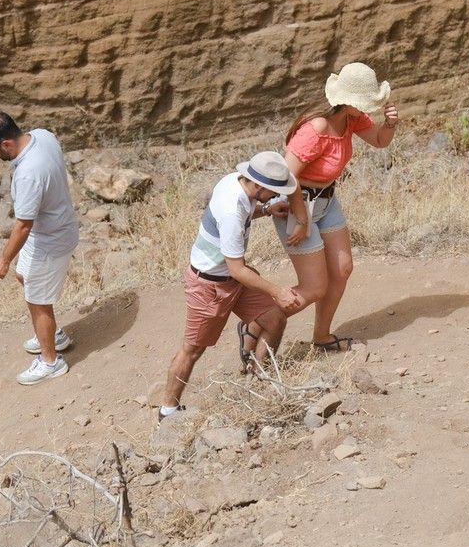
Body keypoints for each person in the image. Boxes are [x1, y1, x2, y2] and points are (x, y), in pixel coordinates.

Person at [160, 151, 305, 420]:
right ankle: (168, 411)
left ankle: (259, 377)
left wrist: (265, 209)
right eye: (272, 192)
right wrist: (278, 291)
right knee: (192, 351)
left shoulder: (236, 182)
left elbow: (237, 265)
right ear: (258, 185)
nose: (275, 195)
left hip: (231, 277)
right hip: (210, 286)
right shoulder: (232, 209)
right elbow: (238, 269)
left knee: (275, 319)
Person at [274, 62, 399, 352]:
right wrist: (302, 218)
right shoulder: (315, 128)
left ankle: (321, 335)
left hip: (326, 201)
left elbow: (380, 140)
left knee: (342, 269)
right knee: (313, 285)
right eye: (367, 102)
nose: (370, 108)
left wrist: (390, 124)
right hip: (296, 204)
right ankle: (260, 321)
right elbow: (285, 176)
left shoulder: (352, 119)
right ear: (349, 102)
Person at [0, 112, 81, 385]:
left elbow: (23, 225)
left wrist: (3, 260)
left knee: (38, 301)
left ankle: (50, 361)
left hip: (50, 238)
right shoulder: (43, 135)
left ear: (6, 144)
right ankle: (53, 334)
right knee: (26, 277)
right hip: (51, 228)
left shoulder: (28, 174)